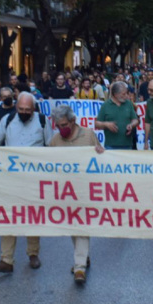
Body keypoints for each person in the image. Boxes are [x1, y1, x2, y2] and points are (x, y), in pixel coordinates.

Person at [0, 92, 50, 273]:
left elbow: (52, 146)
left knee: (33, 217)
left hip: (34, 179)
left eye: (28, 110)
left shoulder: (43, 121)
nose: (24, 112)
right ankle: (6, 259)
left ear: (33, 109)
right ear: (16, 107)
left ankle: (33, 253)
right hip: (11, 179)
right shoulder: (8, 119)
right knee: (9, 216)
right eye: (21, 109)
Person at [49, 104, 105, 283]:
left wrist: (100, 152)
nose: (61, 129)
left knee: (81, 225)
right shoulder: (55, 141)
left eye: (64, 125)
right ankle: (83, 255)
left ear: (73, 121)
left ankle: (79, 267)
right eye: (58, 126)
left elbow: (102, 158)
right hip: (65, 192)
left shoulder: (88, 135)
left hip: (85, 189)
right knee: (73, 226)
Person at [94, 82, 139, 150]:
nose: (127, 96)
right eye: (123, 94)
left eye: (127, 93)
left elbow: (135, 120)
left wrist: (131, 125)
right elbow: (96, 124)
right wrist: (106, 124)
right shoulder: (106, 105)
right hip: (110, 146)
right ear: (115, 94)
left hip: (128, 145)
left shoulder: (129, 104)